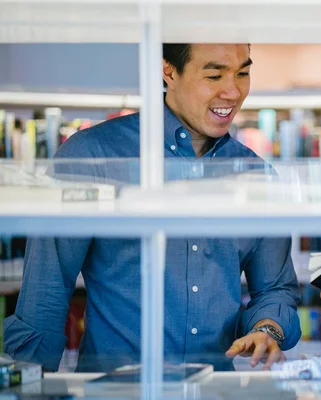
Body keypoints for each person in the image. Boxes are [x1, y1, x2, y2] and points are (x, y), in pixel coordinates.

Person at [4, 44, 301, 372]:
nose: (233, 91)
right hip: (114, 393)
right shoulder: (92, 156)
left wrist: (266, 328)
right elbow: (46, 296)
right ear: (169, 71)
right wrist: (25, 387)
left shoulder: (256, 175)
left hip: (215, 391)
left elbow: (275, 288)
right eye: (214, 75)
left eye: (243, 73)